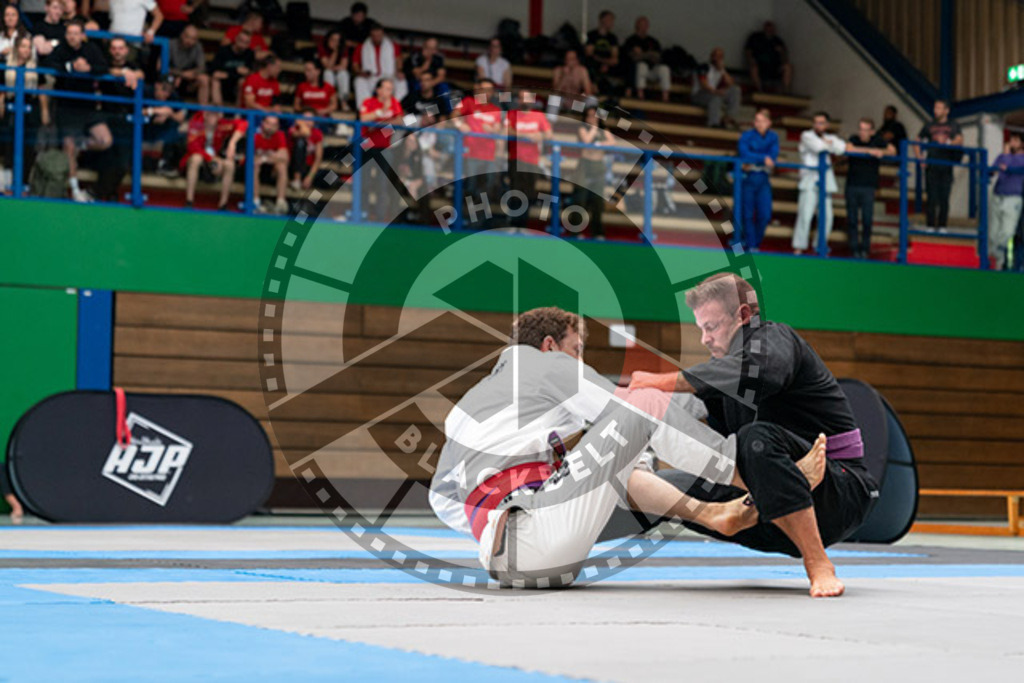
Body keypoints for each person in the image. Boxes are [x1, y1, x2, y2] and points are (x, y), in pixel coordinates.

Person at [430, 305, 773, 588]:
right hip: (539, 534)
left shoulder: (469, 404)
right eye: (576, 350)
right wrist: (709, 392)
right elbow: (630, 408)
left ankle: (712, 514)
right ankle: (758, 478)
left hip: (504, 560)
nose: (579, 362)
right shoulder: (545, 364)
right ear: (549, 345)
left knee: (627, 456)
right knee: (643, 407)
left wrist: (501, 521)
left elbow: (441, 499)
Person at [623, 273, 879, 598]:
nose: (704, 339)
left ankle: (818, 564)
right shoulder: (721, 378)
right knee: (659, 487)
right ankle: (757, 497)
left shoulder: (774, 338)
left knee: (755, 438)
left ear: (744, 316)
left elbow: (758, 374)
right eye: (701, 329)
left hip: (839, 492)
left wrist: (663, 381)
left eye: (711, 327)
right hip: (768, 513)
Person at [50, 20, 112, 202]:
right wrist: (71, 67)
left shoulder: (91, 49)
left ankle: (82, 145)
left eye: (76, 33)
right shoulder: (61, 49)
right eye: (69, 33)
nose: (72, 37)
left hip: (88, 106)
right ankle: (76, 191)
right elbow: (49, 63)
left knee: (105, 140)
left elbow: (104, 67)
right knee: (68, 147)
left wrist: (89, 68)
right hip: (67, 107)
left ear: (82, 35)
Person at [452, 78, 503, 227]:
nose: (486, 93)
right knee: (470, 187)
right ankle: (463, 221)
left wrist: (495, 130)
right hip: (470, 154)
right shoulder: (468, 102)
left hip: (489, 156)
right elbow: (454, 114)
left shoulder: (496, 110)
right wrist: (460, 124)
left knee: (488, 188)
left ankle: (476, 224)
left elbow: (499, 129)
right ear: (477, 89)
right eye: (483, 89)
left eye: (489, 90)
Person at [793, 111, 845, 254]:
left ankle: (819, 246)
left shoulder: (831, 137)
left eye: (821, 123)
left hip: (825, 182)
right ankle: (799, 248)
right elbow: (818, 147)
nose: (818, 125)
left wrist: (829, 144)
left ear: (827, 124)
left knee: (827, 217)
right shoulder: (806, 135)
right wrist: (829, 145)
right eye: (815, 122)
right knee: (805, 214)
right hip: (809, 180)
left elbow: (841, 148)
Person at [844, 117, 893, 259]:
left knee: (867, 220)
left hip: (869, 187)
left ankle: (865, 249)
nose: (862, 132)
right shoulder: (854, 138)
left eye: (865, 130)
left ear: (871, 131)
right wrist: (870, 151)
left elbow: (893, 150)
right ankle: (854, 249)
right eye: (861, 129)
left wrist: (881, 151)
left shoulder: (877, 140)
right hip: (852, 185)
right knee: (852, 220)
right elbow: (848, 148)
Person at [180, 108, 245, 210]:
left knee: (230, 164)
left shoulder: (222, 125)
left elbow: (243, 123)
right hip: (196, 163)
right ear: (205, 115)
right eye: (212, 114)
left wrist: (232, 142)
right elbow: (193, 148)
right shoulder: (196, 124)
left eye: (217, 114)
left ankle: (223, 205)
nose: (216, 117)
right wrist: (212, 158)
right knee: (196, 158)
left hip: (212, 164)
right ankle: (189, 201)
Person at [359, 77, 403, 221]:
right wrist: (380, 112)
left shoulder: (394, 103)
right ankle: (362, 214)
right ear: (378, 89)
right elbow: (363, 118)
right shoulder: (368, 102)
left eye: (390, 89)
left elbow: (400, 120)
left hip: (385, 148)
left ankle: (379, 216)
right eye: (385, 88)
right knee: (364, 183)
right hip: (366, 146)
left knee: (382, 185)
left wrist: (380, 122)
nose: (388, 92)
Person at [737, 108, 779, 250]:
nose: (759, 123)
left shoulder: (773, 137)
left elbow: (773, 155)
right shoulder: (747, 135)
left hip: (763, 178)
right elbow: (744, 153)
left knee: (765, 215)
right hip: (748, 177)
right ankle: (751, 245)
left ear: (769, 123)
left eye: (762, 121)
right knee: (747, 214)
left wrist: (756, 159)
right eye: (756, 120)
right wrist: (763, 158)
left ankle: (755, 242)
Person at [917, 99, 963, 231]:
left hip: (946, 166)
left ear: (946, 110)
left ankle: (942, 225)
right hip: (932, 165)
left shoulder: (953, 125)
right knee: (931, 197)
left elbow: (959, 140)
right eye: (935, 107)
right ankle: (930, 225)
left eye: (939, 108)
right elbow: (917, 140)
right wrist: (920, 158)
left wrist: (947, 142)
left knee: (944, 197)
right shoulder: (929, 125)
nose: (935, 110)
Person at [508, 93, 551, 229]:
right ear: (519, 100)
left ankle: (523, 224)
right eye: (523, 97)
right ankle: (514, 224)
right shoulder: (512, 113)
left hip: (532, 160)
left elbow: (549, 134)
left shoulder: (539, 115)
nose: (526, 100)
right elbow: (508, 131)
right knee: (516, 191)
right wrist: (526, 135)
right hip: (516, 158)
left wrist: (540, 135)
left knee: (530, 192)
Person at [573, 106, 614, 239]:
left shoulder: (605, 129)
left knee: (597, 202)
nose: (592, 118)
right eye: (589, 116)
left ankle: (598, 233)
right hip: (584, 167)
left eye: (594, 115)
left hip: (598, 168)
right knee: (580, 201)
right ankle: (576, 232)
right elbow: (586, 141)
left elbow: (612, 142)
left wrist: (598, 144)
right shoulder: (582, 128)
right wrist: (594, 129)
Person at [988, 133, 1024, 270]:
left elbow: (1014, 167)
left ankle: (999, 255)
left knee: (1007, 231)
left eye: (1016, 140)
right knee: (993, 232)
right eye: (1011, 140)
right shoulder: (1002, 156)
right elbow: (993, 170)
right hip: (998, 195)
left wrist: (1007, 165)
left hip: (1013, 198)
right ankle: (997, 263)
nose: (1012, 143)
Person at [353, 24, 404, 109]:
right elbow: (355, 65)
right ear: (370, 35)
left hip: (389, 76)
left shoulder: (392, 45)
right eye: (374, 36)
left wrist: (399, 71)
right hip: (370, 77)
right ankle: (365, 109)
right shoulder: (362, 46)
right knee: (359, 81)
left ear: (383, 34)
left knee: (402, 81)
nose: (377, 38)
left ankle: (395, 107)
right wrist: (360, 72)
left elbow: (399, 60)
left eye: (379, 36)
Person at [143, 77, 186, 176]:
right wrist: (155, 111)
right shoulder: (146, 91)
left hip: (161, 130)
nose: (166, 94)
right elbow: (135, 111)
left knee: (178, 129)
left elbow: (181, 117)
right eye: (164, 89)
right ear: (157, 85)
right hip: (144, 127)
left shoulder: (173, 96)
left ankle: (164, 164)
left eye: (169, 91)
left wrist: (169, 113)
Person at [622, 16, 669, 102]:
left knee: (664, 69)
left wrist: (642, 54)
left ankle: (665, 96)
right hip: (638, 71)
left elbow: (657, 57)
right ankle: (641, 94)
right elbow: (632, 57)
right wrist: (648, 54)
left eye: (645, 25)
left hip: (652, 69)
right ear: (637, 26)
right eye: (642, 25)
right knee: (641, 65)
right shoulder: (631, 40)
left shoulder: (653, 41)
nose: (644, 27)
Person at [692, 47, 740, 129]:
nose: (717, 59)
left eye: (720, 57)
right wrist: (715, 92)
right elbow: (703, 84)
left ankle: (728, 118)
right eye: (715, 56)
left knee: (735, 90)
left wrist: (722, 70)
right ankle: (713, 124)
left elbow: (730, 83)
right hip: (699, 94)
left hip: (713, 93)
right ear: (711, 57)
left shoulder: (721, 70)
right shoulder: (704, 66)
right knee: (715, 98)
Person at [251, 114, 289, 215]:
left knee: (281, 165)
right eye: (268, 123)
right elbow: (252, 159)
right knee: (255, 165)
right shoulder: (255, 135)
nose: (271, 127)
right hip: (253, 172)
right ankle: (255, 202)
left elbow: (284, 156)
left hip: (270, 171)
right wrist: (274, 155)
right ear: (263, 123)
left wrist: (264, 158)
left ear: (277, 127)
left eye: (274, 125)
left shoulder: (280, 135)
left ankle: (280, 202)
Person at [207, 27, 253, 106]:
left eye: (246, 42)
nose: (243, 44)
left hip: (236, 84)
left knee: (242, 82)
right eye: (241, 41)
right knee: (215, 80)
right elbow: (214, 71)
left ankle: (238, 113)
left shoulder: (249, 54)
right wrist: (235, 71)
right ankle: (219, 112)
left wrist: (228, 73)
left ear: (249, 44)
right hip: (222, 83)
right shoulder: (224, 51)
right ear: (235, 39)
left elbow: (249, 72)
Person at [745, 20, 792, 93]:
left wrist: (781, 52)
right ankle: (759, 90)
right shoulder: (756, 38)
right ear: (764, 29)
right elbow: (748, 51)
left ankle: (786, 91)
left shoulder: (778, 41)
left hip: (774, 68)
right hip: (759, 66)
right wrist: (751, 60)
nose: (769, 31)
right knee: (754, 68)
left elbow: (784, 58)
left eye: (771, 29)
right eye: (767, 29)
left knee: (788, 67)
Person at [287, 110, 324, 192]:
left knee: (328, 177)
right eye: (305, 118)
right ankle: (297, 179)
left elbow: (318, 157)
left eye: (310, 119)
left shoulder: (317, 133)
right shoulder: (293, 129)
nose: (308, 121)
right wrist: (301, 124)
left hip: (307, 168)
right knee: (300, 141)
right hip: (292, 168)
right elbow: (306, 133)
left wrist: (310, 177)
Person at [584, 10, 619, 93]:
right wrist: (602, 62)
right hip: (594, 64)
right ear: (603, 20)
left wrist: (606, 63)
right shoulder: (592, 35)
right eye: (610, 20)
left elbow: (615, 58)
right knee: (589, 63)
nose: (612, 23)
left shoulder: (612, 38)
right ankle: (593, 86)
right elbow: (589, 53)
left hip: (607, 64)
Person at [168, 24, 205, 98]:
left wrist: (192, 73)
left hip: (189, 78)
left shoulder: (198, 46)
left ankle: (203, 109)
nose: (189, 41)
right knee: (168, 78)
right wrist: (180, 74)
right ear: (182, 35)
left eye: (193, 39)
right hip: (171, 75)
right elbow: (159, 66)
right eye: (187, 37)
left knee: (204, 79)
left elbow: (202, 67)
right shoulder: (171, 44)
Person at [319, 29, 351, 111]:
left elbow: (344, 66)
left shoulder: (344, 48)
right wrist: (335, 52)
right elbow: (327, 65)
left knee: (344, 74)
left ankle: (344, 102)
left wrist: (333, 67)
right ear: (328, 39)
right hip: (323, 73)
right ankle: (330, 102)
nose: (335, 43)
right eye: (332, 40)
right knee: (328, 73)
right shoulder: (322, 47)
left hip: (338, 72)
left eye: (337, 40)